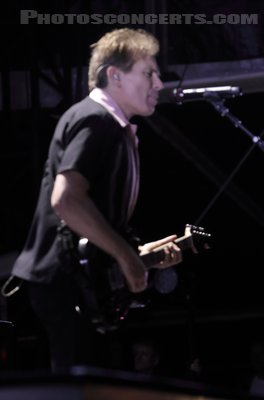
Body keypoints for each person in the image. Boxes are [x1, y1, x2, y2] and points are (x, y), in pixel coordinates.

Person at [6, 28, 183, 371]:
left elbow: (90, 226)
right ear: (114, 76)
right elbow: (67, 200)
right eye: (148, 73)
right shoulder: (96, 119)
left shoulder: (108, 125)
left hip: (79, 285)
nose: (159, 83)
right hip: (66, 286)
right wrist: (125, 257)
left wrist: (137, 254)